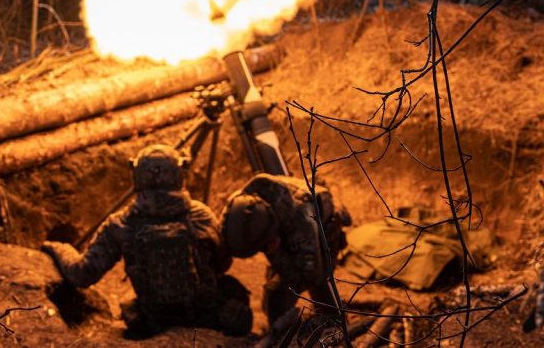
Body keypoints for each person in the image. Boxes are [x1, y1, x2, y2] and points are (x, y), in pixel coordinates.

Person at [42, 145, 253, 337]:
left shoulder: (121, 224)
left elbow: (82, 275)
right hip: (206, 318)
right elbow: (223, 263)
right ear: (179, 174)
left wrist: (58, 248)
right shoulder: (201, 216)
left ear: (136, 176)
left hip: (156, 323)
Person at [221, 173, 351, 341]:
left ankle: (334, 320)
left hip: (324, 233)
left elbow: (310, 276)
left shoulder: (302, 225)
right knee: (275, 298)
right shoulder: (246, 203)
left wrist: (276, 256)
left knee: (285, 294)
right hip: (294, 225)